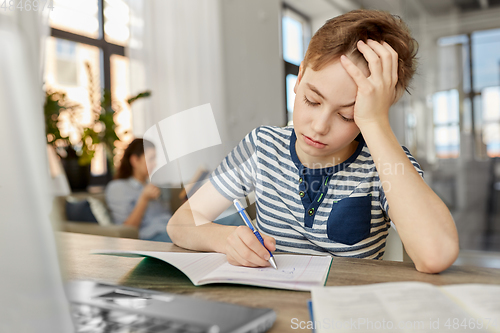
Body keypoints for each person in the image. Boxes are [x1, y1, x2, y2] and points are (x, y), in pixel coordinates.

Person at [167, 9, 459, 273]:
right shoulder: (263, 147)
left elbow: (436, 255)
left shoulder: (385, 163)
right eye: (311, 100)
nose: (319, 127)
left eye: (347, 116)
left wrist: (375, 123)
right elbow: (180, 223)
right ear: (300, 74)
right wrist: (226, 238)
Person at [106, 138, 172, 242]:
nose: (155, 164)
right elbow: (127, 230)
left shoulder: (151, 185)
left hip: (172, 229)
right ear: (135, 160)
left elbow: (165, 215)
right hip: (153, 237)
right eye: (151, 159)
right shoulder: (117, 187)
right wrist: (144, 198)